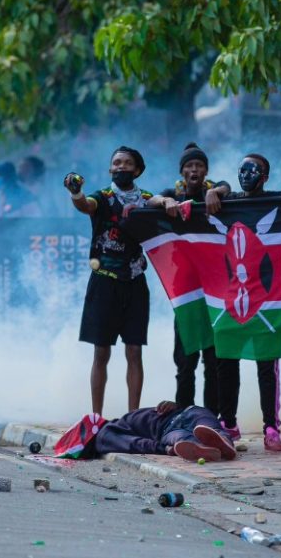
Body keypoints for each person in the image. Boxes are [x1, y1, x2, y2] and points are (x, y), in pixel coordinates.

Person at [63, 145, 180, 415]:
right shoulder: (102, 197)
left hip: (135, 282)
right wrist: (75, 191)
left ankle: (132, 416)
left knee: (134, 352)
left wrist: (167, 201)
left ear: (137, 170)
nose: (120, 167)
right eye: (116, 162)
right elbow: (85, 206)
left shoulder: (146, 198)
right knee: (101, 353)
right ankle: (96, 417)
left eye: (127, 163)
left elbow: (158, 202)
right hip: (103, 282)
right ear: (109, 168)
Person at [212, 153, 281, 452]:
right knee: (226, 362)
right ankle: (228, 424)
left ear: (265, 176)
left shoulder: (276, 203)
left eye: (253, 169)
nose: (247, 174)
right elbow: (218, 187)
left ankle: (271, 427)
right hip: (230, 299)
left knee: (266, 365)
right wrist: (213, 192)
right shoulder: (227, 202)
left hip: (267, 300)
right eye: (242, 169)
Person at [158, 143, 231, 414]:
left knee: (213, 362)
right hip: (187, 292)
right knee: (186, 362)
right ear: (182, 171)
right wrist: (166, 202)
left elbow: (226, 186)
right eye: (189, 165)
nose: (194, 169)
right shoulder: (171, 194)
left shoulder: (215, 191)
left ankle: (212, 417)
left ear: (205, 170)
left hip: (215, 290)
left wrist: (214, 192)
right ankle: (184, 417)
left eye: (199, 165)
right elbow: (151, 200)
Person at [54, 400, 237, 462]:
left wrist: (167, 449)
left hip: (171, 427)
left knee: (182, 437)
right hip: (187, 413)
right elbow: (135, 444)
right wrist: (166, 449)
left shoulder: (111, 429)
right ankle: (221, 441)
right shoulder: (105, 435)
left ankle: (205, 445)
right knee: (204, 422)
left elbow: (136, 443)